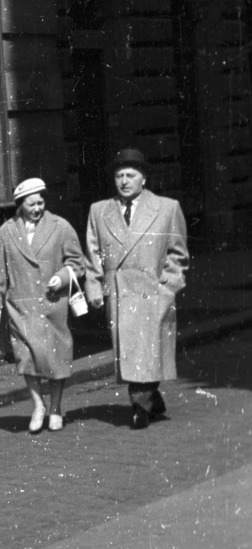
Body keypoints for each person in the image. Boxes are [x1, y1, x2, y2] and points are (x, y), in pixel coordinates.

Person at [84, 149, 188, 430]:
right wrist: (94, 286)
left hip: (152, 293)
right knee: (132, 353)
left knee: (146, 352)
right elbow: (94, 254)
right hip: (119, 295)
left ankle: (140, 407)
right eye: (119, 176)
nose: (125, 181)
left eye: (131, 175)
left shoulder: (167, 208)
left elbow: (177, 255)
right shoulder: (99, 211)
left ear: (144, 178)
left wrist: (167, 288)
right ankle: (150, 400)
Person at [0, 178, 85, 433]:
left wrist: (62, 277)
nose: (37, 208)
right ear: (20, 205)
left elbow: (77, 263)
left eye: (41, 202)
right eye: (31, 204)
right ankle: (38, 405)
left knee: (56, 358)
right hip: (21, 306)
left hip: (52, 303)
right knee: (26, 358)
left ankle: (56, 408)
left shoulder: (60, 227)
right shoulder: (6, 232)